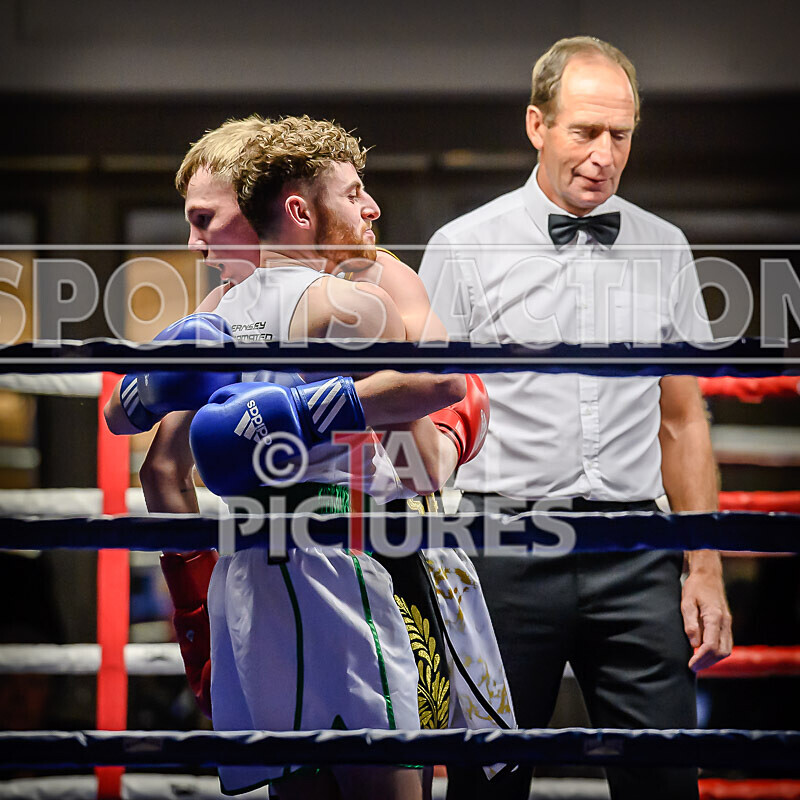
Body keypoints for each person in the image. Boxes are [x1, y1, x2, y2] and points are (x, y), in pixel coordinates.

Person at [106, 115, 514, 799]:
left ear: (261, 204)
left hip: (382, 551)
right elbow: (159, 463)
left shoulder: (379, 281)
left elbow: (439, 424)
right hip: (266, 570)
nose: (196, 243)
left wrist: (311, 416)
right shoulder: (222, 310)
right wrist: (198, 616)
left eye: (208, 219)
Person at [418, 36, 733, 800]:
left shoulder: (666, 246)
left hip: (634, 549)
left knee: (665, 780)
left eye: (619, 136)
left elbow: (683, 421)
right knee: (487, 785)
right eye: (584, 132)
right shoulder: (463, 247)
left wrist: (704, 565)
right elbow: (417, 414)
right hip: (503, 543)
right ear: (537, 125)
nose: (603, 154)